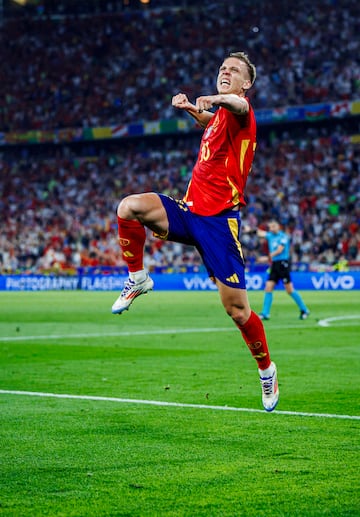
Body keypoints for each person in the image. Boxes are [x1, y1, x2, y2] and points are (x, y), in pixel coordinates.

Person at [111, 52, 279, 412]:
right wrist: (191, 108)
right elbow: (211, 122)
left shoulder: (242, 112)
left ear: (246, 83)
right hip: (189, 211)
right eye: (222, 68)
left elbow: (233, 106)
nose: (225, 73)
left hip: (219, 222)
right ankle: (137, 278)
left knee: (236, 311)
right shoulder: (219, 118)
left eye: (233, 71)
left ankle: (266, 369)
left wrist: (216, 98)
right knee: (129, 207)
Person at [256, 220, 310, 320]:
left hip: (283, 264)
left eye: (273, 226)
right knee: (268, 287)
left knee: (289, 290)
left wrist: (267, 258)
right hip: (275, 264)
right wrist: (249, 229)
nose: (271, 229)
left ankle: (304, 309)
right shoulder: (270, 235)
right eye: (270, 227)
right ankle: (265, 313)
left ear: (278, 227)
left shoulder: (283, 237)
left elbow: (280, 250)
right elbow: (259, 233)